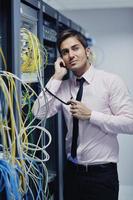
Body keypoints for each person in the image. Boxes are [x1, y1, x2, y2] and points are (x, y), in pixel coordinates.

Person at [32, 29, 133, 200]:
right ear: (61, 59)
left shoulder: (110, 82)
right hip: (72, 173)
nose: (71, 55)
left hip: (101, 175)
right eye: (65, 52)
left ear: (87, 51)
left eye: (75, 48)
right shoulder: (63, 87)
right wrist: (56, 77)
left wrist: (91, 115)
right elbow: (38, 113)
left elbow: (130, 123)